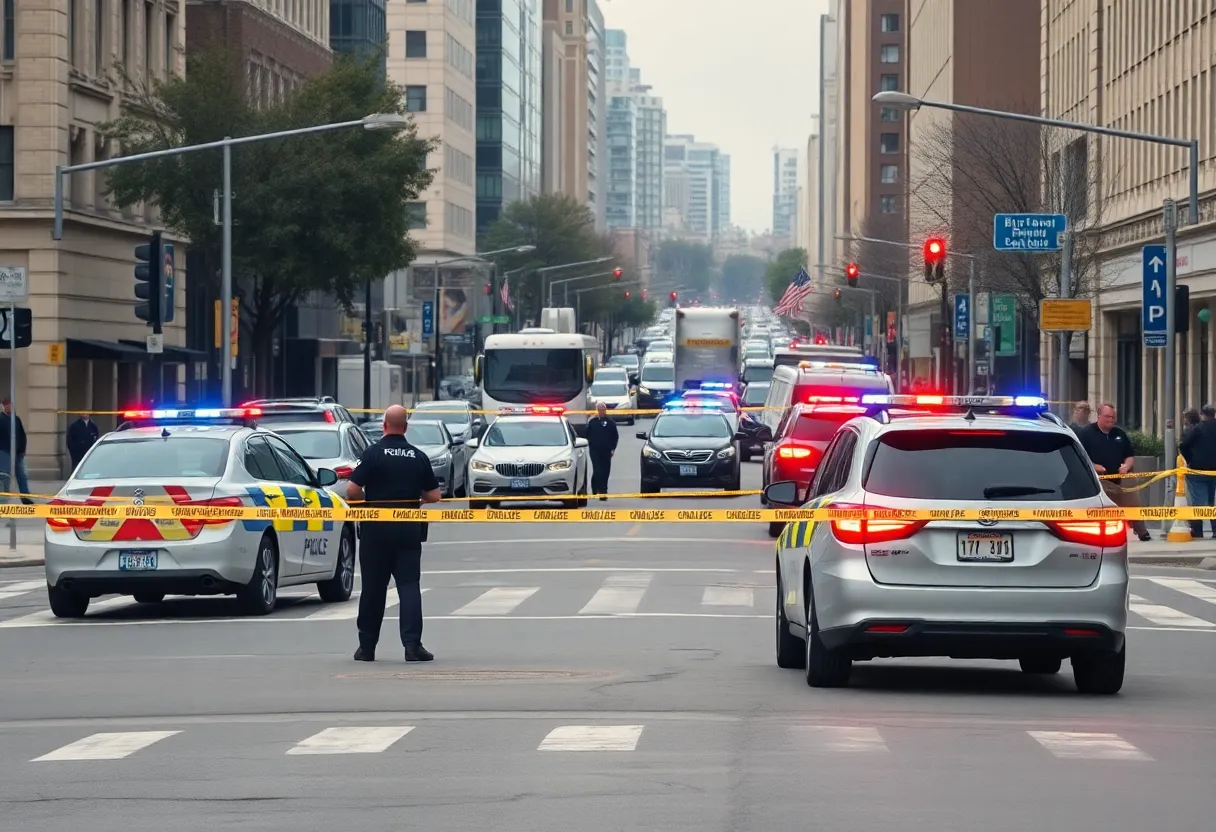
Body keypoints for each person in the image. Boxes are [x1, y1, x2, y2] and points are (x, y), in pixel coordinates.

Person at [346, 404, 442, 663]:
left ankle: (366, 648)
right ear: (406, 427)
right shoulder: (417, 455)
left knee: (373, 589)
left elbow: (352, 490)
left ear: (384, 425)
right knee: (409, 586)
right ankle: (412, 646)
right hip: (408, 529)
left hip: (375, 530)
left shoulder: (374, 453)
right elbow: (434, 495)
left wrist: (372, 502)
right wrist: (416, 500)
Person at [1076, 403, 1151, 541]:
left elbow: (1129, 455)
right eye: (1108, 416)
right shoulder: (1086, 433)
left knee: (1133, 501)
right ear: (1099, 416)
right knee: (1103, 509)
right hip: (1098, 480)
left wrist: (1127, 466)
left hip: (1119, 479)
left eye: (1113, 417)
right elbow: (1078, 457)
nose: (1111, 420)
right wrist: (1093, 466)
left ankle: (1142, 531)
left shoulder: (1119, 433)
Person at [1180, 404, 1216, 538]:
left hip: (1198, 471)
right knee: (1213, 503)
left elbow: (1183, 445)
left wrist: (1190, 460)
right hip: (1214, 471)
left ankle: (1197, 531)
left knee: (1198, 502)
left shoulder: (1198, 428)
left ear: (1202, 415)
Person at [585, 402, 619, 500]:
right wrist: (591, 442)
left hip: (607, 451)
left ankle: (603, 491)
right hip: (595, 450)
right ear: (597, 410)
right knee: (597, 470)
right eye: (599, 409)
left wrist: (613, 448)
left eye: (603, 409)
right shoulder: (592, 422)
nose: (601, 411)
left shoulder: (611, 422)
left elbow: (615, 436)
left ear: (605, 410)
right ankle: (597, 489)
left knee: (605, 471)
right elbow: (586, 434)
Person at [0, 398, 31, 505]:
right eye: (7, 405)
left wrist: (22, 449)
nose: (10, 407)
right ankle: (4, 497)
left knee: (22, 475)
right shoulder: (1, 419)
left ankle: (25, 497)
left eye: (11, 405)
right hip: (4, 451)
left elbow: (22, 435)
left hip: (18, 452)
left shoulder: (16, 419)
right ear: (4, 407)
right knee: (5, 475)